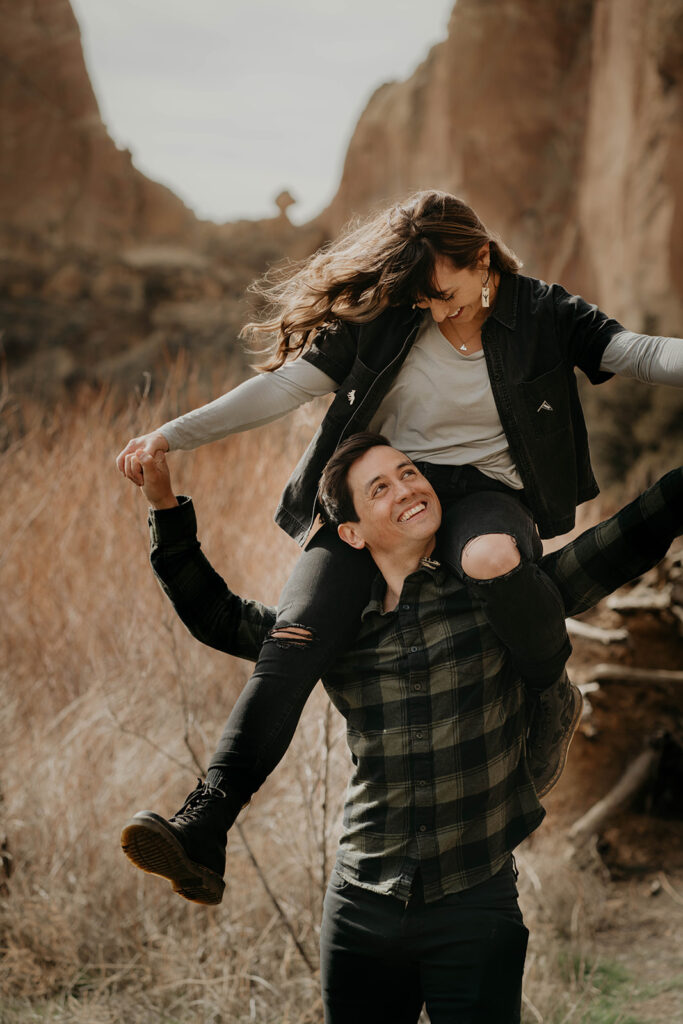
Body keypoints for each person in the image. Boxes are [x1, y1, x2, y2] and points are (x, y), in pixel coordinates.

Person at [116, 190, 683, 884]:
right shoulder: (388, 314)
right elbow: (285, 387)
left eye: (443, 292)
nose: (435, 309)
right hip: (390, 489)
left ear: (480, 260)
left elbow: (640, 352)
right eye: (422, 299)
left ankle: (546, 693)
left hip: (484, 496)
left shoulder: (542, 311)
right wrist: (170, 436)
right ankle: (204, 823)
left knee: (491, 558)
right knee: (294, 635)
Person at [122, 435, 683, 1024]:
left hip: (475, 903)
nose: (408, 488)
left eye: (409, 472)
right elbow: (216, 614)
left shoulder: (497, 594)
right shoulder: (332, 629)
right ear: (352, 533)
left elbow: (611, 547)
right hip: (361, 905)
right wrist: (164, 507)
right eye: (380, 488)